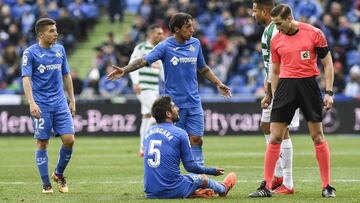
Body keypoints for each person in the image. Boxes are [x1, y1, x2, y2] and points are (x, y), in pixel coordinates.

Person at [108, 12, 232, 165]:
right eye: (188, 27)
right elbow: (143, 61)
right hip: (174, 105)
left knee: (196, 139)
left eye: (192, 26)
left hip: (194, 101)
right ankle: (172, 178)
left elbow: (203, 68)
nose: (192, 30)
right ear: (177, 29)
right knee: (174, 143)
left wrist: (218, 83)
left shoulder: (195, 44)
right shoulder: (165, 46)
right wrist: (125, 70)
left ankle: (199, 177)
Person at [249, 4, 336, 198]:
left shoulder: (314, 33)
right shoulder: (276, 40)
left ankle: (327, 186)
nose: (277, 28)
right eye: (274, 24)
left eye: (279, 23)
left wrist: (329, 92)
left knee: (317, 136)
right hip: (285, 88)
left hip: (308, 86)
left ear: (289, 18)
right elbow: (276, 71)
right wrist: (271, 94)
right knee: (275, 136)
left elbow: (327, 63)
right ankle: (267, 186)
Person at [143, 95, 236, 198]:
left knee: (186, 178)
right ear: (168, 114)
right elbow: (190, 166)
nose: (177, 109)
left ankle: (194, 193)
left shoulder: (147, 133)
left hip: (151, 192)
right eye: (174, 107)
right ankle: (223, 188)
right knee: (201, 179)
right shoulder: (180, 133)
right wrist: (212, 171)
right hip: (171, 189)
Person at [22, 18, 76, 194]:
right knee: (42, 143)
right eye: (52, 31)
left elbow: (66, 75)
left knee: (69, 139)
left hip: (60, 102)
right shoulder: (30, 53)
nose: (56, 33)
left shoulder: (60, 50)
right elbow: (26, 79)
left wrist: (72, 100)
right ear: (41, 34)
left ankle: (58, 174)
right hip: (41, 104)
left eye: (56, 30)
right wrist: (31, 103)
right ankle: (46, 183)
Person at [252, 0, 299, 194]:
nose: (252, 14)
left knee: (282, 130)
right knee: (266, 126)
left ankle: (287, 182)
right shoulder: (269, 30)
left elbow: (276, 66)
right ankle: (278, 175)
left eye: (255, 10)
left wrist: (271, 92)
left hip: (284, 85)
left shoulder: (274, 30)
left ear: (264, 11)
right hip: (276, 83)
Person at [129, 24, 164, 157]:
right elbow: (133, 63)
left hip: (154, 88)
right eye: (158, 33)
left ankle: (142, 149)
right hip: (144, 87)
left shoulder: (159, 50)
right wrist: (136, 82)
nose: (161, 36)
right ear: (151, 34)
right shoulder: (142, 47)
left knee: (147, 116)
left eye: (162, 33)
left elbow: (162, 71)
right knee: (159, 112)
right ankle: (147, 144)